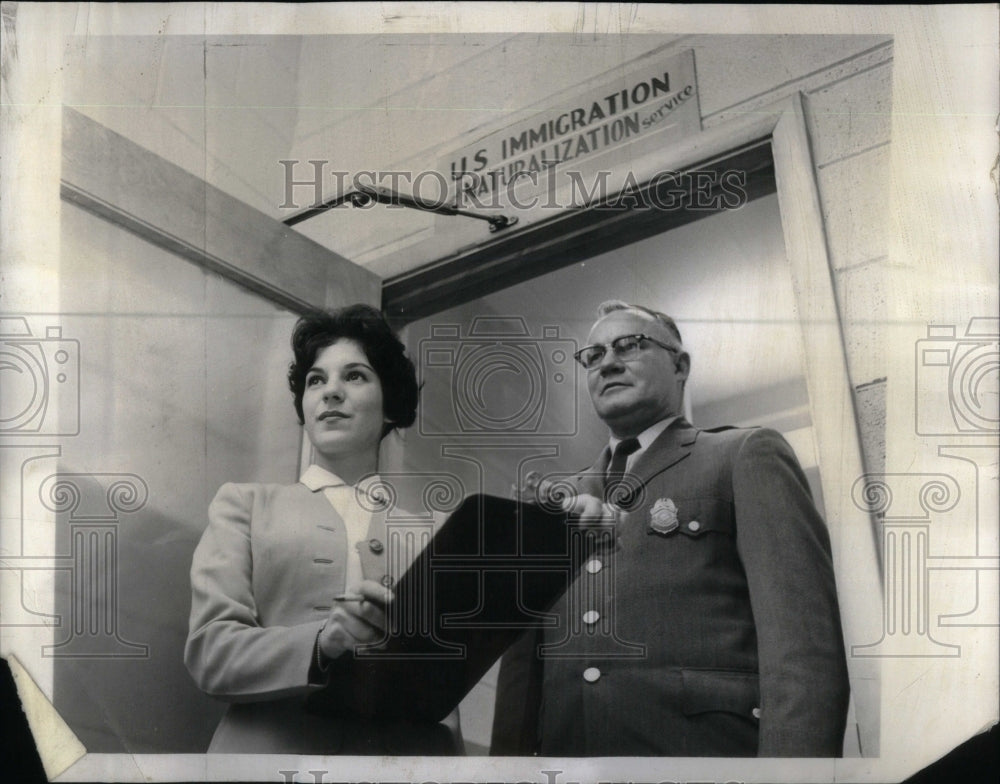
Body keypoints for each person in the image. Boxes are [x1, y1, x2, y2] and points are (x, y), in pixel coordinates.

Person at [491, 300, 850, 757]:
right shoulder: (554, 502)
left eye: (629, 345)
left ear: (680, 365)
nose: (609, 363)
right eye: (594, 355)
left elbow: (803, 654)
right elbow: (520, 681)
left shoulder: (742, 454)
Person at [184, 304, 462, 754]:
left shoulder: (436, 531)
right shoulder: (244, 504)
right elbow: (210, 653)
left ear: (391, 403)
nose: (330, 392)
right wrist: (321, 642)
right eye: (317, 380)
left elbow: (451, 687)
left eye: (354, 376)